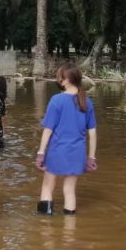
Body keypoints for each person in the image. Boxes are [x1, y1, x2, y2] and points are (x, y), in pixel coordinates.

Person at [35, 63, 97, 215]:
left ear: (67, 79)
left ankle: (45, 226)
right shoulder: (87, 102)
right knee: (69, 191)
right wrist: (91, 158)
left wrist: (41, 153)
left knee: (47, 186)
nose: (58, 79)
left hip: (57, 151)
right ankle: (69, 231)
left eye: (60, 76)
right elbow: (93, 133)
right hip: (77, 153)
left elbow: (48, 130)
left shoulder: (57, 100)